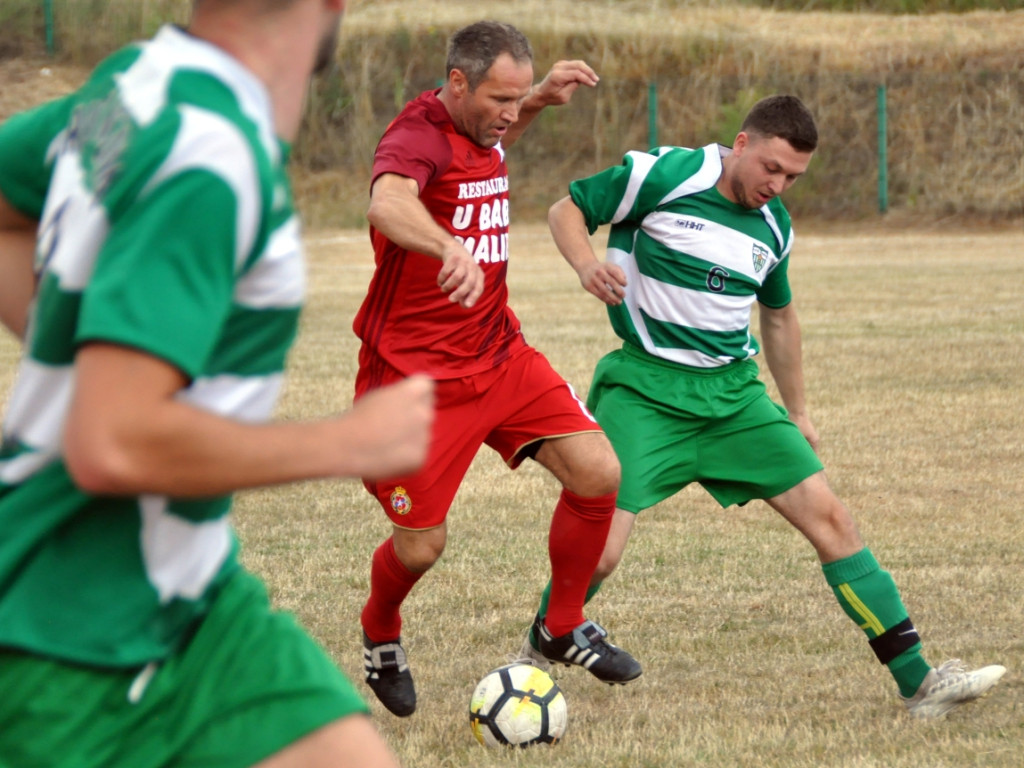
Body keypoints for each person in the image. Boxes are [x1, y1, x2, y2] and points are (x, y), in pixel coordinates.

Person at [0, 2, 436, 766]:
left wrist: (67, 343)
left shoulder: (135, 90)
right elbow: (113, 443)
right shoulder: (209, 155)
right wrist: (349, 440)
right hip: (70, 630)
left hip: (195, 603)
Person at [525, 94, 1005, 719]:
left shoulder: (775, 227)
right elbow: (567, 209)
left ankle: (919, 683)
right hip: (645, 391)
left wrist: (798, 410)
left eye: (793, 178)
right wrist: (587, 265)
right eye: (771, 169)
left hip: (734, 398)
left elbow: (778, 317)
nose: (777, 186)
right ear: (743, 144)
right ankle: (540, 647)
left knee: (832, 520)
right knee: (603, 552)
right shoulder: (665, 174)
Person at [353, 20, 641, 718]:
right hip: (414, 383)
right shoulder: (417, 134)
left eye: (518, 98)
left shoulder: (485, 126)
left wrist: (538, 98)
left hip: (499, 353)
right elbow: (388, 200)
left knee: (600, 473)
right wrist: (447, 246)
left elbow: (500, 133)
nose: (509, 114)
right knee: (421, 548)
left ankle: (563, 623)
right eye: (499, 99)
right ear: (457, 83)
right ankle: (380, 633)